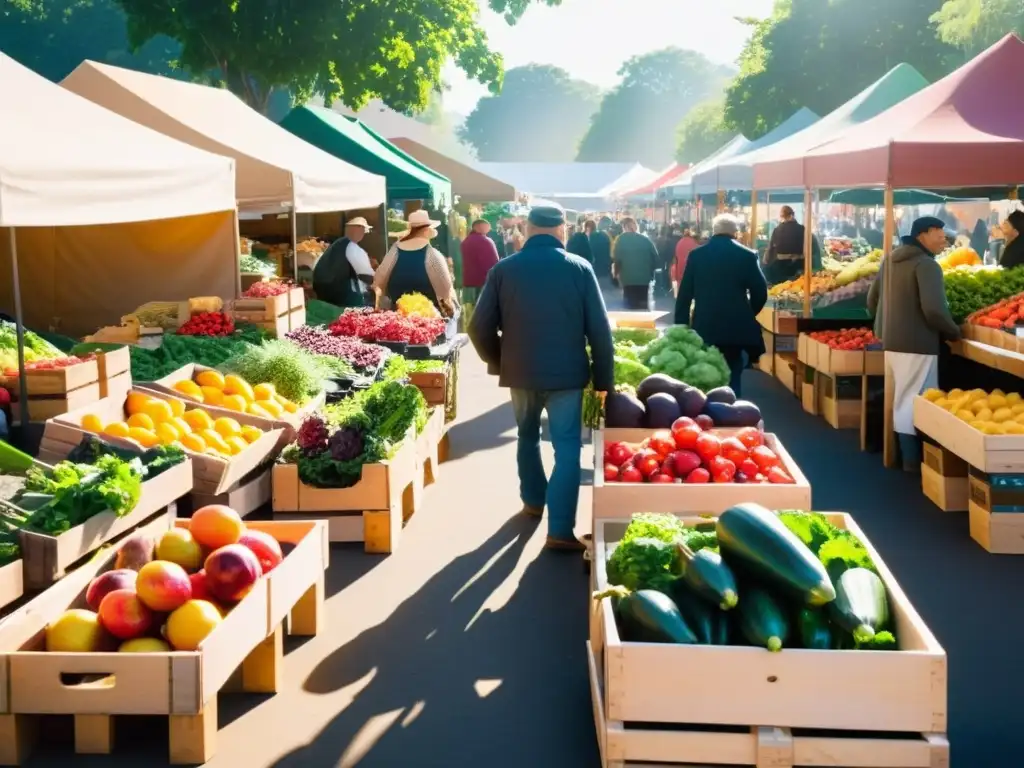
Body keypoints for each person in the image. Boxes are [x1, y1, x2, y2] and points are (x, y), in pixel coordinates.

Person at [468, 206, 614, 551]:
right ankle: (560, 530)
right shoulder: (580, 268)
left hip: (520, 370)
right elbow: (600, 331)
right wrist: (604, 380)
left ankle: (533, 501)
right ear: (562, 230)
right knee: (567, 448)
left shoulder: (503, 269)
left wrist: (499, 359)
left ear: (528, 229)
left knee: (527, 434)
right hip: (568, 373)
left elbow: (477, 326)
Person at [867, 216, 961, 472]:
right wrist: (954, 332)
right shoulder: (927, 266)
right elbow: (934, 310)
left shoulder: (890, 261)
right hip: (918, 341)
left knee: (901, 397)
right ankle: (913, 459)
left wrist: (887, 325)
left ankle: (903, 455)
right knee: (916, 399)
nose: (945, 240)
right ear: (924, 234)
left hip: (891, 340)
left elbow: (872, 300)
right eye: (940, 234)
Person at [674, 214, 768, 397]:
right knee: (733, 369)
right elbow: (760, 292)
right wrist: (748, 312)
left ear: (713, 232)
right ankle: (732, 409)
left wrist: (681, 326)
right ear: (735, 232)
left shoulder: (696, 255)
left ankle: (709, 410)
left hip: (705, 324)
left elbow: (685, 294)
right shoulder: (747, 255)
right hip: (736, 326)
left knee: (706, 371)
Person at [373, 209, 458, 316]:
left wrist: (381, 300)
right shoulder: (432, 254)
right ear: (427, 231)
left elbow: (380, 278)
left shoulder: (394, 250)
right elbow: (445, 286)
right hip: (428, 314)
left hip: (398, 313)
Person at [311, 217, 375, 307]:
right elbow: (366, 275)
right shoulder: (352, 247)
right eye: (363, 230)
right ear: (358, 229)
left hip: (324, 294)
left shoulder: (337, 244)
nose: (363, 234)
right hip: (342, 298)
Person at [763, 205, 821, 284]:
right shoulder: (802, 229)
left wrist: (765, 261)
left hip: (781, 267)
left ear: (782, 217)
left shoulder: (776, 230)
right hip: (799, 265)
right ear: (792, 215)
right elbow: (809, 249)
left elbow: (769, 249)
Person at [612, 217, 658, 310]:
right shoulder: (645, 240)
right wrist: (650, 272)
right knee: (642, 306)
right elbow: (656, 259)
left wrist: (616, 276)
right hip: (644, 279)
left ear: (624, 227)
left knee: (630, 308)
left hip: (627, 279)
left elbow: (617, 260)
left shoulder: (620, 240)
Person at [460, 218, 500, 306]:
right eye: (487, 226)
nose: (489, 229)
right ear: (479, 226)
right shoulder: (486, 241)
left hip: (468, 280)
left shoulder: (465, 241)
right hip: (483, 281)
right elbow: (493, 263)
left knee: (469, 309)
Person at [671, 226, 699, 296]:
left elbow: (676, 258)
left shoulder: (679, 242)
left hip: (680, 273)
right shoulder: (694, 243)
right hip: (691, 274)